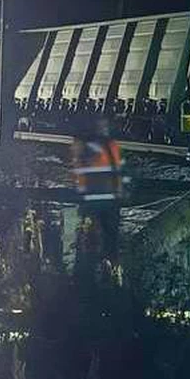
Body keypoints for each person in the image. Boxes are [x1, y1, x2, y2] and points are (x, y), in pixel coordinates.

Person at [71, 117, 124, 276]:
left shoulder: (89, 145)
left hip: (96, 198)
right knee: (107, 234)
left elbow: (81, 171)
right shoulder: (108, 145)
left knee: (94, 233)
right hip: (105, 198)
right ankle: (109, 266)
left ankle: (96, 266)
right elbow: (116, 170)